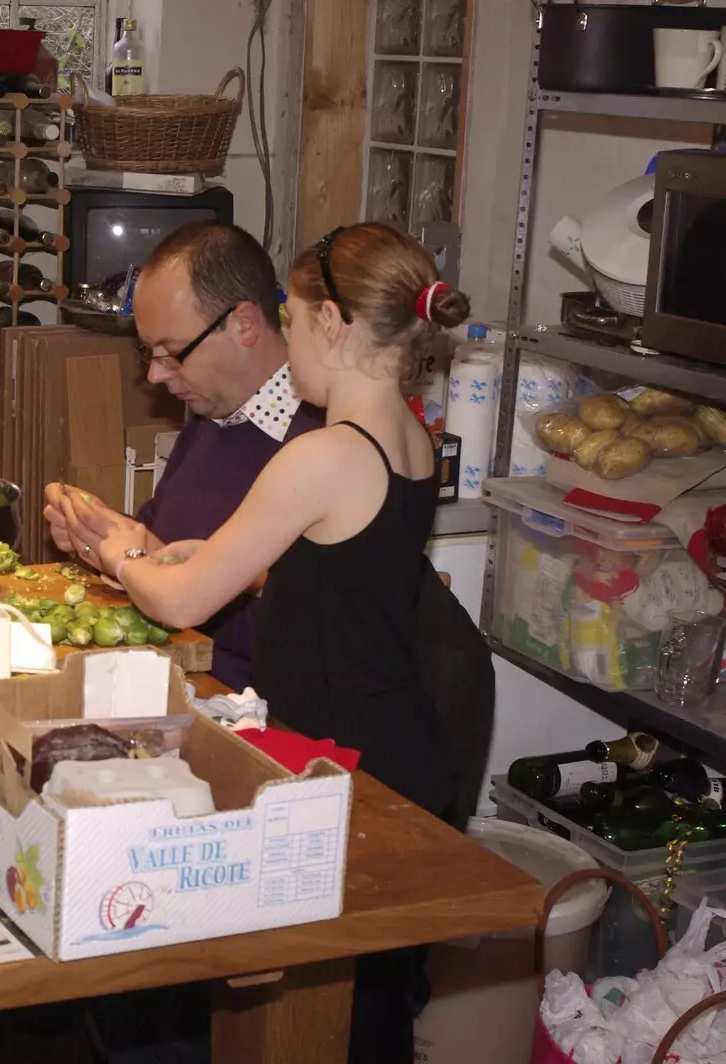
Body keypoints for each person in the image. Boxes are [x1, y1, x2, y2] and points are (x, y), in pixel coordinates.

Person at [69, 223, 472, 1064]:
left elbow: (180, 600)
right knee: (367, 1016)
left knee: (322, 1025)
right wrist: (219, 560)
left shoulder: (321, 455)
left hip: (346, 768)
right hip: (405, 748)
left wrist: (118, 547)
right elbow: (341, 576)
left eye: (290, 321)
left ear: (331, 323)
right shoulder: (411, 438)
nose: (286, 345)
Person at [44, 222, 324, 691]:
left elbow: (303, 641)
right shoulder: (212, 408)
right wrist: (100, 535)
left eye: (173, 353)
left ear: (245, 325)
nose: (156, 375)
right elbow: (166, 539)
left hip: (256, 706)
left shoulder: (316, 444)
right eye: (147, 353)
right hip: (183, 675)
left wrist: (130, 562)